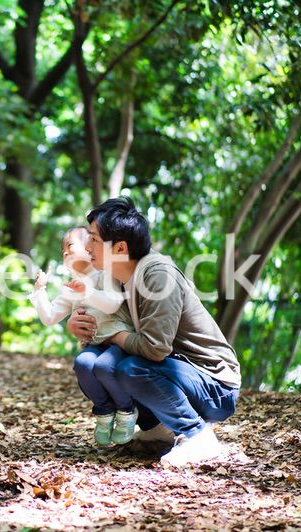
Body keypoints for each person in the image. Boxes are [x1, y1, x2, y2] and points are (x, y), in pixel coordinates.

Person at [67, 197, 241, 467]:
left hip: (215, 384)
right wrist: (79, 327)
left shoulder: (158, 275)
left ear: (121, 247)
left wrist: (111, 334)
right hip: (175, 373)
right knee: (90, 365)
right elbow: (105, 332)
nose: (86, 247)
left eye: (94, 240)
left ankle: (196, 435)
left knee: (131, 368)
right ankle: (156, 428)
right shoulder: (113, 277)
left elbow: (154, 348)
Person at [30, 226, 137, 446]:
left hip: (119, 337)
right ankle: (104, 412)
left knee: (104, 366)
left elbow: (112, 303)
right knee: (82, 364)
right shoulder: (70, 285)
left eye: (70, 246)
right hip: (95, 342)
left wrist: (85, 291)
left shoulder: (106, 272)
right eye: (63, 251)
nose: (66, 254)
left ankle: (126, 411)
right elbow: (50, 317)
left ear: (90, 246)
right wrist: (39, 291)